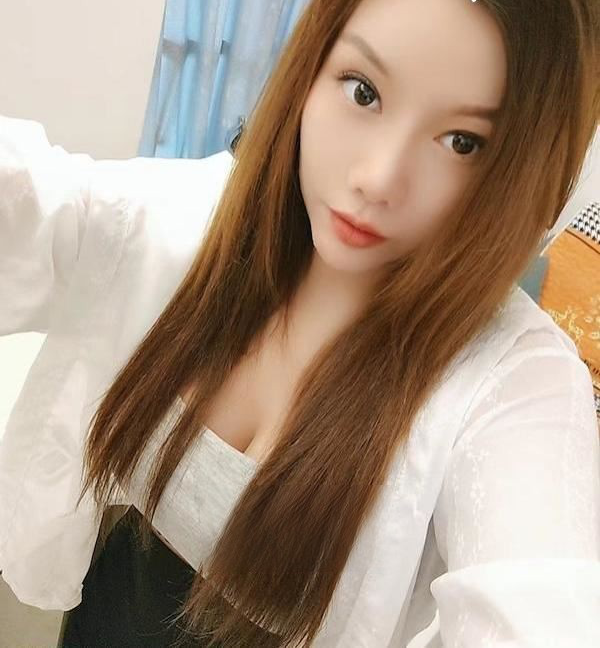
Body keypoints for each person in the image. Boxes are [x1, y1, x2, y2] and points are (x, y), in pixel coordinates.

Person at [1, 0, 599, 646]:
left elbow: (540, 604)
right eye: (363, 91)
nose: (378, 178)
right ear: (312, 68)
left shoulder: (514, 382)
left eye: (463, 143)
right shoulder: (195, 224)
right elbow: (37, 202)